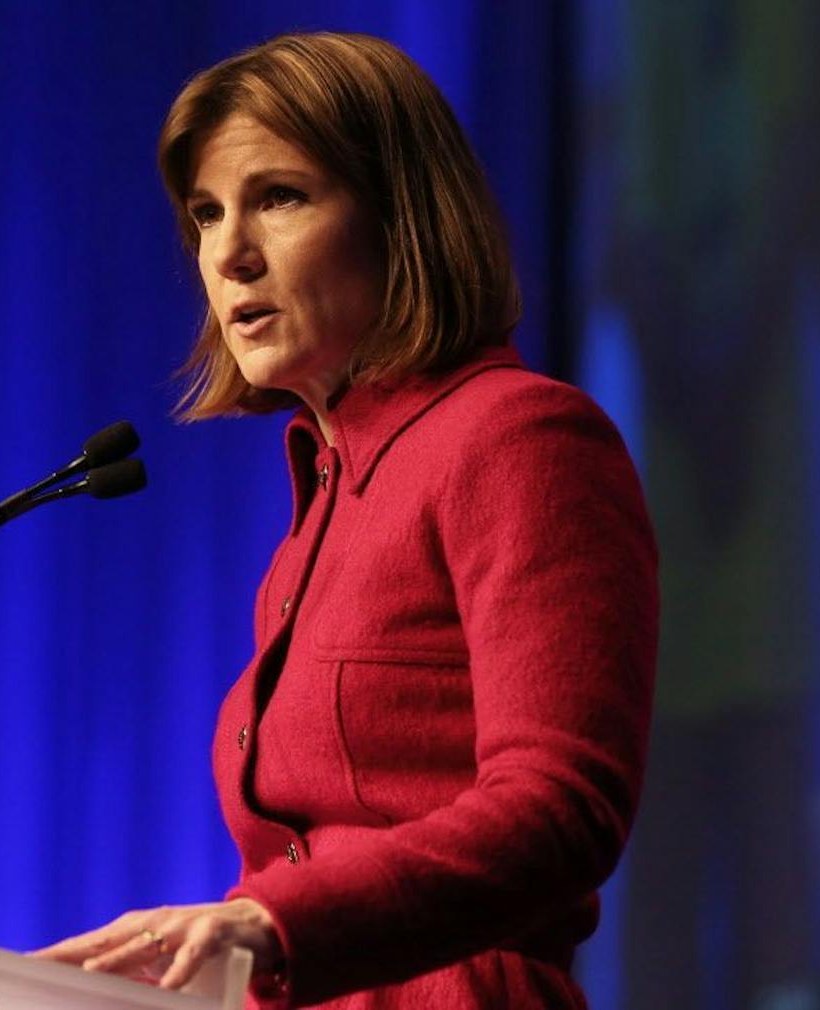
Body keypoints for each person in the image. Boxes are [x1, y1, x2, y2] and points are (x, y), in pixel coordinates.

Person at [33, 31, 658, 1010]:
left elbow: (560, 807)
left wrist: (275, 921)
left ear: (397, 216)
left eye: (278, 197)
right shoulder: (317, 507)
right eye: (205, 213)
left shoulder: (517, 438)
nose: (228, 254)